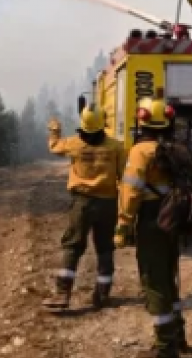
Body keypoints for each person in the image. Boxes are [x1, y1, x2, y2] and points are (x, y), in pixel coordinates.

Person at [116, 98, 191, 357]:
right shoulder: (176, 149)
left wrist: (123, 225)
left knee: (154, 280)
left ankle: (164, 347)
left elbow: (131, 191)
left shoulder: (141, 151)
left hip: (151, 219)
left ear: (142, 122)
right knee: (169, 277)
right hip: (174, 218)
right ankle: (178, 336)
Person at [43, 105, 127, 311]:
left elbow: (54, 147)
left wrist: (54, 130)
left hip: (82, 203)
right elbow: (124, 177)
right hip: (108, 203)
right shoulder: (116, 147)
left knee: (73, 246)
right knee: (105, 247)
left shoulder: (74, 143)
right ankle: (103, 294)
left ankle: (63, 293)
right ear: (102, 123)